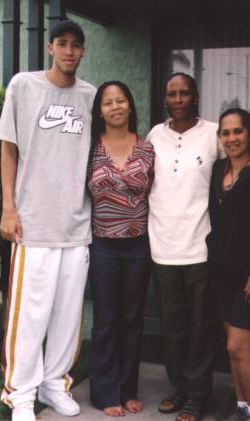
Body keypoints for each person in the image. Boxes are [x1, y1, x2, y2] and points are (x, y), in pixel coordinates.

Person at [0, 20, 96, 421]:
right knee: (30, 314)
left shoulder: (90, 96)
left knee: (68, 314)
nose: (70, 51)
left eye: (77, 45)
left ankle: (56, 384)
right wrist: (8, 207)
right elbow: (8, 150)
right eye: (63, 44)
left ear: (83, 52)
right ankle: (20, 393)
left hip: (76, 224)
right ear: (51, 48)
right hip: (33, 223)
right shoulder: (24, 85)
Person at [147, 72, 220, 421]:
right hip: (162, 248)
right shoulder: (154, 136)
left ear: (195, 97)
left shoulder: (213, 134)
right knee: (173, 326)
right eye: (171, 93)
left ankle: (198, 394)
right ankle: (179, 387)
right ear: (165, 99)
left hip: (200, 247)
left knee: (200, 326)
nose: (178, 99)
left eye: (184, 93)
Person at [87, 81, 154, 417]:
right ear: (100, 110)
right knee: (105, 320)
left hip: (138, 245)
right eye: (108, 102)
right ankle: (105, 392)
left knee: (131, 319)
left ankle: (128, 389)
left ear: (130, 105)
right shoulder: (89, 148)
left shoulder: (146, 149)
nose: (115, 106)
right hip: (103, 245)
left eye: (121, 100)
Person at [207, 108, 250, 421]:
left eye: (238, 131)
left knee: (240, 347)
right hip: (220, 273)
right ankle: (241, 408)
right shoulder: (216, 171)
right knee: (230, 348)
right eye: (225, 133)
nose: (232, 138)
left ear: (249, 134)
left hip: (249, 277)